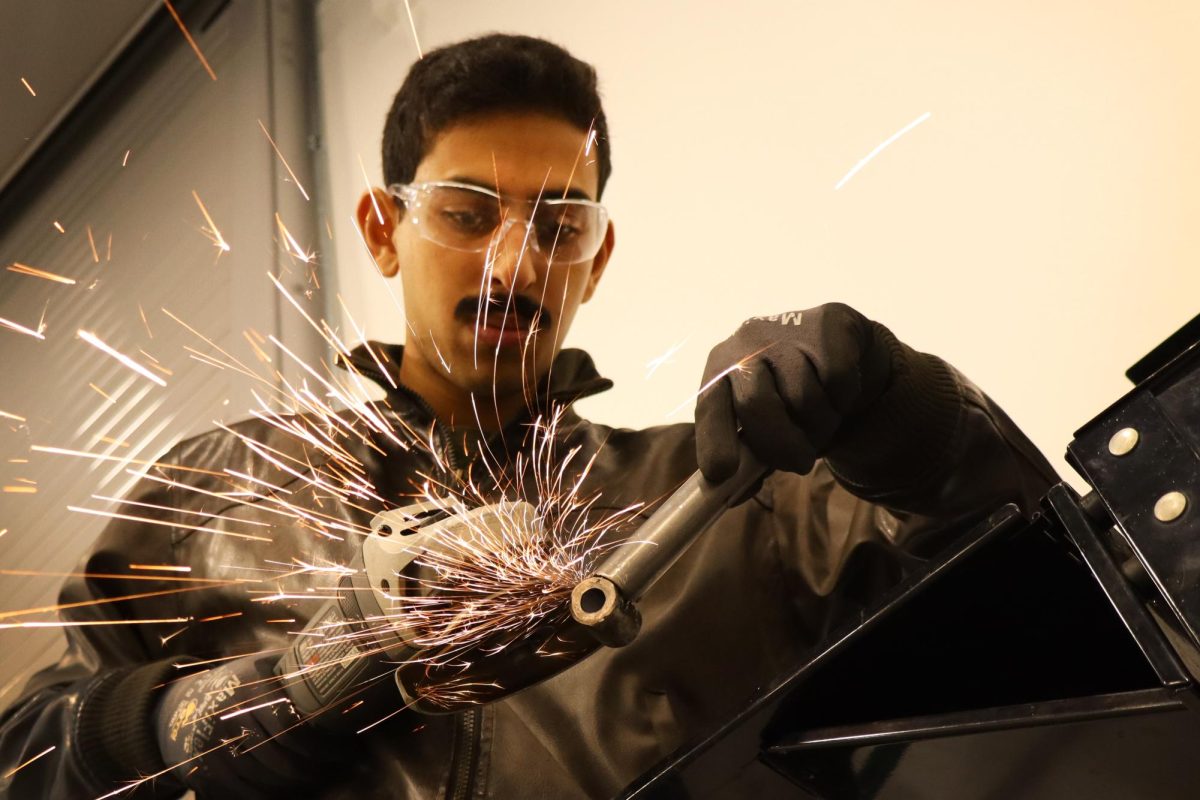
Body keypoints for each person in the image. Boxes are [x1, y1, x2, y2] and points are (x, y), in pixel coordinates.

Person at [0, 33, 1054, 800]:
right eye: (465, 214)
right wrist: (244, 706)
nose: (514, 263)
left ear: (596, 259)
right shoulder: (226, 487)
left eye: (559, 225)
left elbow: (1049, 613)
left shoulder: (739, 506)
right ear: (382, 227)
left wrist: (907, 415)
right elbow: (29, 748)